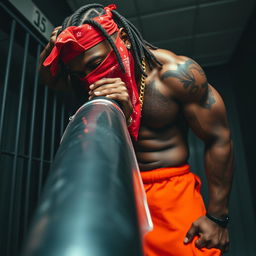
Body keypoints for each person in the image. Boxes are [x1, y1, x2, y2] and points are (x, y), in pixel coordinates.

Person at [39, 3, 234, 256]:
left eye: (97, 62)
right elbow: (49, 79)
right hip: (113, 191)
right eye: (80, 72)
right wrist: (51, 46)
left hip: (169, 191)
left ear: (122, 39)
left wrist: (218, 218)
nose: (90, 77)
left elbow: (218, 138)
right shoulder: (86, 77)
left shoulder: (175, 75)